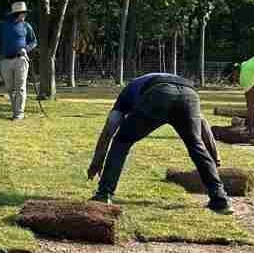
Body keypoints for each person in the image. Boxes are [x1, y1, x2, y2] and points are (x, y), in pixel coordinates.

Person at [87, 72, 232, 215]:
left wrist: (97, 161)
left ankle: (104, 194)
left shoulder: (127, 92)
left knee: (121, 141)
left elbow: (111, 125)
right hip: (190, 94)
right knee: (195, 144)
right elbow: (203, 124)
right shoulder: (164, 82)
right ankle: (220, 200)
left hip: (159, 94)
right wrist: (214, 156)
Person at [0, 1, 38, 120]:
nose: (25, 16)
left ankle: (19, 114)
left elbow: (34, 42)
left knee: (21, 87)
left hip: (21, 60)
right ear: (17, 14)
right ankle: (15, 112)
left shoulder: (26, 26)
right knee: (10, 89)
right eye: (23, 13)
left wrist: (26, 49)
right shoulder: (3, 26)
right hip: (5, 61)